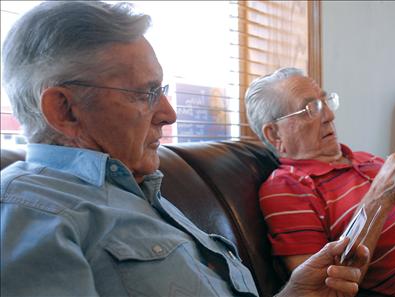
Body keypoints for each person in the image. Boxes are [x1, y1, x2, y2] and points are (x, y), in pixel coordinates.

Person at [0, 2, 370, 297]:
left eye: (162, 91)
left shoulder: (139, 187)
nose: (168, 114)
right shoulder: (29, 213)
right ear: (64, 109)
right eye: (145, 93)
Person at [245, 67, 395, 297]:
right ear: (275, 134)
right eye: (311, 108)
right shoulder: (286, 187)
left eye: (326, 101)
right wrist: (380, 197)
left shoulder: (370, 159)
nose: (330, 116)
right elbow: (322, 288)